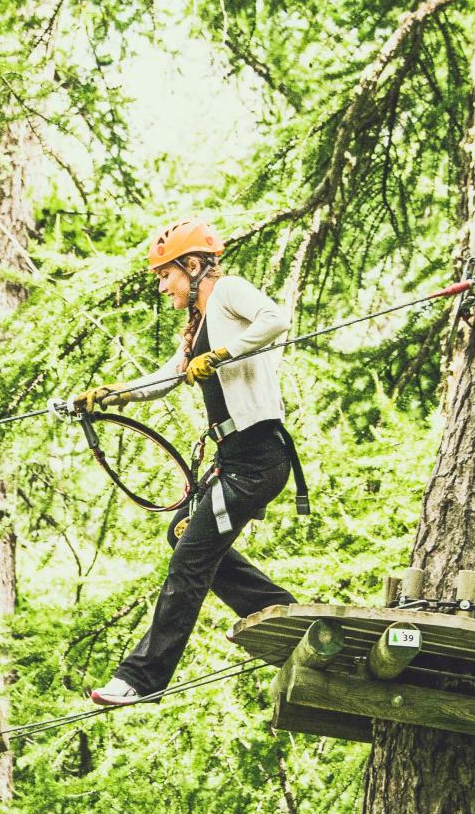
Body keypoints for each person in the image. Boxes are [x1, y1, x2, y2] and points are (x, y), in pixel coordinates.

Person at [74, 219, 304, 707]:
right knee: (182, 534)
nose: (162, 287)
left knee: (189, 560)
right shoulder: (198, 322)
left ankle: (142, 678)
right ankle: (280, 612)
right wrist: (112, 394)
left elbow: (275, 318)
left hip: (258, 457)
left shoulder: (228, 292)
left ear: (193, 265)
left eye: (166, 275)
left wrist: (222, 354)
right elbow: (168, 377)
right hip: (234, 459)